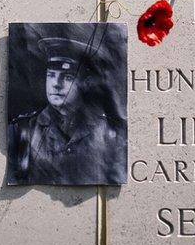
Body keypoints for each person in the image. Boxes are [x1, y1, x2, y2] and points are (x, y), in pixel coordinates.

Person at [8, 36, 126, 186]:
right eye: (51, 75)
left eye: (68, 77)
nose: (56, 84)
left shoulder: (110, 134)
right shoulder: (22, 131)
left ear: (85, 83)